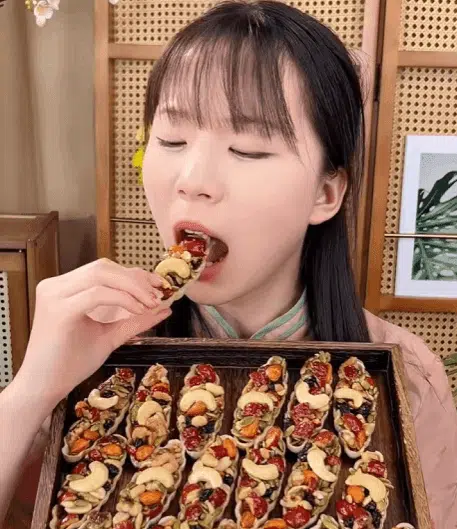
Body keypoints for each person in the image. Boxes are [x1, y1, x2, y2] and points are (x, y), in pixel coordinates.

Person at [0, 1, 455, 527]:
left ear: (326, 193)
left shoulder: (409, 378)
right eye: (170, 140)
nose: (192, 179)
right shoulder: (88, 348)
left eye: (248, 149)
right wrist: (29, 393)